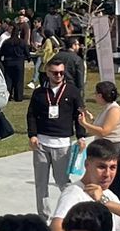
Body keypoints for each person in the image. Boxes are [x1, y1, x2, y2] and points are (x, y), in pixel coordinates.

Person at [28, 59, 84, 217]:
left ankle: (74, 211)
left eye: (61, 72)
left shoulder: (72, 91)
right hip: (41, 144)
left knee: (62, 181)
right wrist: (32, 135)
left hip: (62, 144)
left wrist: (81, 136)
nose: (59, 75)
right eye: (55, 73)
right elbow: (31, 115)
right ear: (47, 72)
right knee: (41, 183)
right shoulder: (39, 93)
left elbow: (79, 115)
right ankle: (43, 216)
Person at [76, 80, 120, 203]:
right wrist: (90, 119)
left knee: (115, 190)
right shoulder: (107, 109)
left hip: (117, 155)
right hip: (106, 153)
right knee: (105, 189)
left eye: (96, 94)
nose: (95, 96)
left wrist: (84, 124)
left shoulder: (114, 110)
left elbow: (104, 131)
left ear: (100, 95)